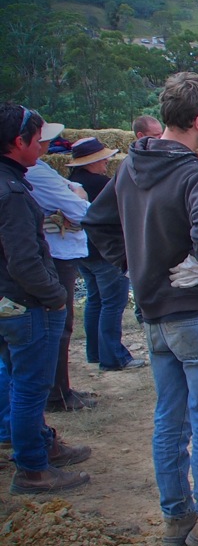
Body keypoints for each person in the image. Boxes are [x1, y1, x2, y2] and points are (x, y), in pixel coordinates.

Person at [84, 72, 198, 546]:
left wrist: (135, 266)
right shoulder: (195, 174)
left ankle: (176, 516)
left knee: (170, 418)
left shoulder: (132, 166)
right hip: (197, 312)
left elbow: (98, 222)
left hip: (154, 312)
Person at [0, 104, 92, 494]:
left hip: (11, 303)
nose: (42, 148)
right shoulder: (13, 193)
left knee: (20, 382)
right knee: (30, 387)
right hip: (26, 304)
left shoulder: (10, 185)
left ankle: (38, 446)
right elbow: (23, 259)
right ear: (17, 142)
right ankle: (34, 468)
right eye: (37, 141)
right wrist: (54, 296)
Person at [25, 124, 96, 412]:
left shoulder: (38, 168)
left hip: (59, 251)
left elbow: (76, 198)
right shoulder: (36, 172)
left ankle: (59, 389)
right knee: (59, 326)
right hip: (57, 254)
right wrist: (76, 195)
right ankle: (56, 394)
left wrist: (75, 193)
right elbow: (82, 209)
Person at [67, 138, 145, 372]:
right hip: (105, 253)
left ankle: (95, 351)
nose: (106, 162)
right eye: (103, 158)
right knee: (113, 303)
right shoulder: (103, 184)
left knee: (95, 300)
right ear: (94, 161)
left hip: (85, 251)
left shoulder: (73, 182)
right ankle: (113, 356)